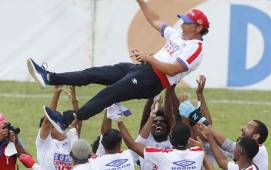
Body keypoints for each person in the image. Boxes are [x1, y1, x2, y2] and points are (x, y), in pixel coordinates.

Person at [27, 0, 210, 134]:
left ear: (199, 28)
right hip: (142, 69)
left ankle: (66, 119)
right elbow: (155, 20)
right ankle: (49, 77)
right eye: (184, 21)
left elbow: (172, 70)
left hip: (152, 80)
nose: (183, 24)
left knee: (110, 94)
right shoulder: (179, 34)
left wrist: (150, 58)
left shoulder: (196, 49)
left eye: (187, 22)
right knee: (93, 73)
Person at [117, 118, 205, 169]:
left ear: (170, 139)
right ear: (189, 139)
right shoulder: (198, 152)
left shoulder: (162, 155)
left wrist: (119, 120)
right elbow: (198, 146)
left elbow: (132, 145)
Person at [36, 86, 80, 170]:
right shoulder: (44, 143)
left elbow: (77, 123)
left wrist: (74, 102)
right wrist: (56, 93)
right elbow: (48, 120)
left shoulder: (70, 137)